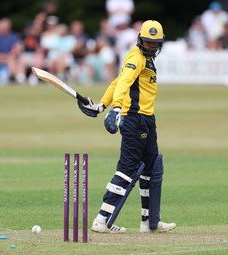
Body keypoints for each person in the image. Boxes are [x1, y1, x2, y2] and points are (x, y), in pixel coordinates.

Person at [77, 20, 176, 233]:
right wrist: (116, 108)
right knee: (127, 169)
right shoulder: (136, 57)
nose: (151, 46)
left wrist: (103, 104)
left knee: (151, 168)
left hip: (147, 119)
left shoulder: (147, 59)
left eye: (154, 43)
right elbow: (122, 84)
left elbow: (117, 81)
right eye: (147, 43)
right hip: (134, 119)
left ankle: (149, 222)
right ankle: (101, 220)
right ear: (140, 39)